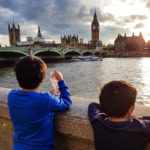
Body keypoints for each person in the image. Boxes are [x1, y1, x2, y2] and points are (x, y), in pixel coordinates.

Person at [8, 56, 72, 150]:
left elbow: (29, 99)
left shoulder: (11, 96)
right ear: (41, 80)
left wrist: (47, 95)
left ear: (17, 77)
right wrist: (61, 81)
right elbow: (67, 103)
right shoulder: (46, 99)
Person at [88, 80, 150, 150]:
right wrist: (142, 117)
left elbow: (92, 105)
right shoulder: (143, 128)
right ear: (131, 108)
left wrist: (109, 107)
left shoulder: (97, 122)